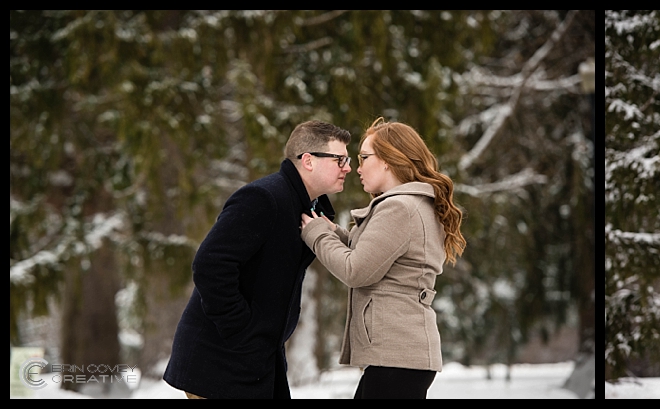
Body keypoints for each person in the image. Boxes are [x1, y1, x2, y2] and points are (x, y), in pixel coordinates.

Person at [164, 120, 353, 398]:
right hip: (221, 359)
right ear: (309, 161)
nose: (347, 167)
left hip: (259, 360)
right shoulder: (264, 197)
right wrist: (242, 330)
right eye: (340, 159)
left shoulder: (304, 207)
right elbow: (210, 265)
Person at [300, 117, 466, 399]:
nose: (357, 168)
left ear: (389, 159)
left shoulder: (400, 208)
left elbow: (356, 269)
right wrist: (335, 233)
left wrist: (315, 233)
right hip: (400, 357)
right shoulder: (412, 204)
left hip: (397, 357)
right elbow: (376, 255)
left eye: (364, 157)